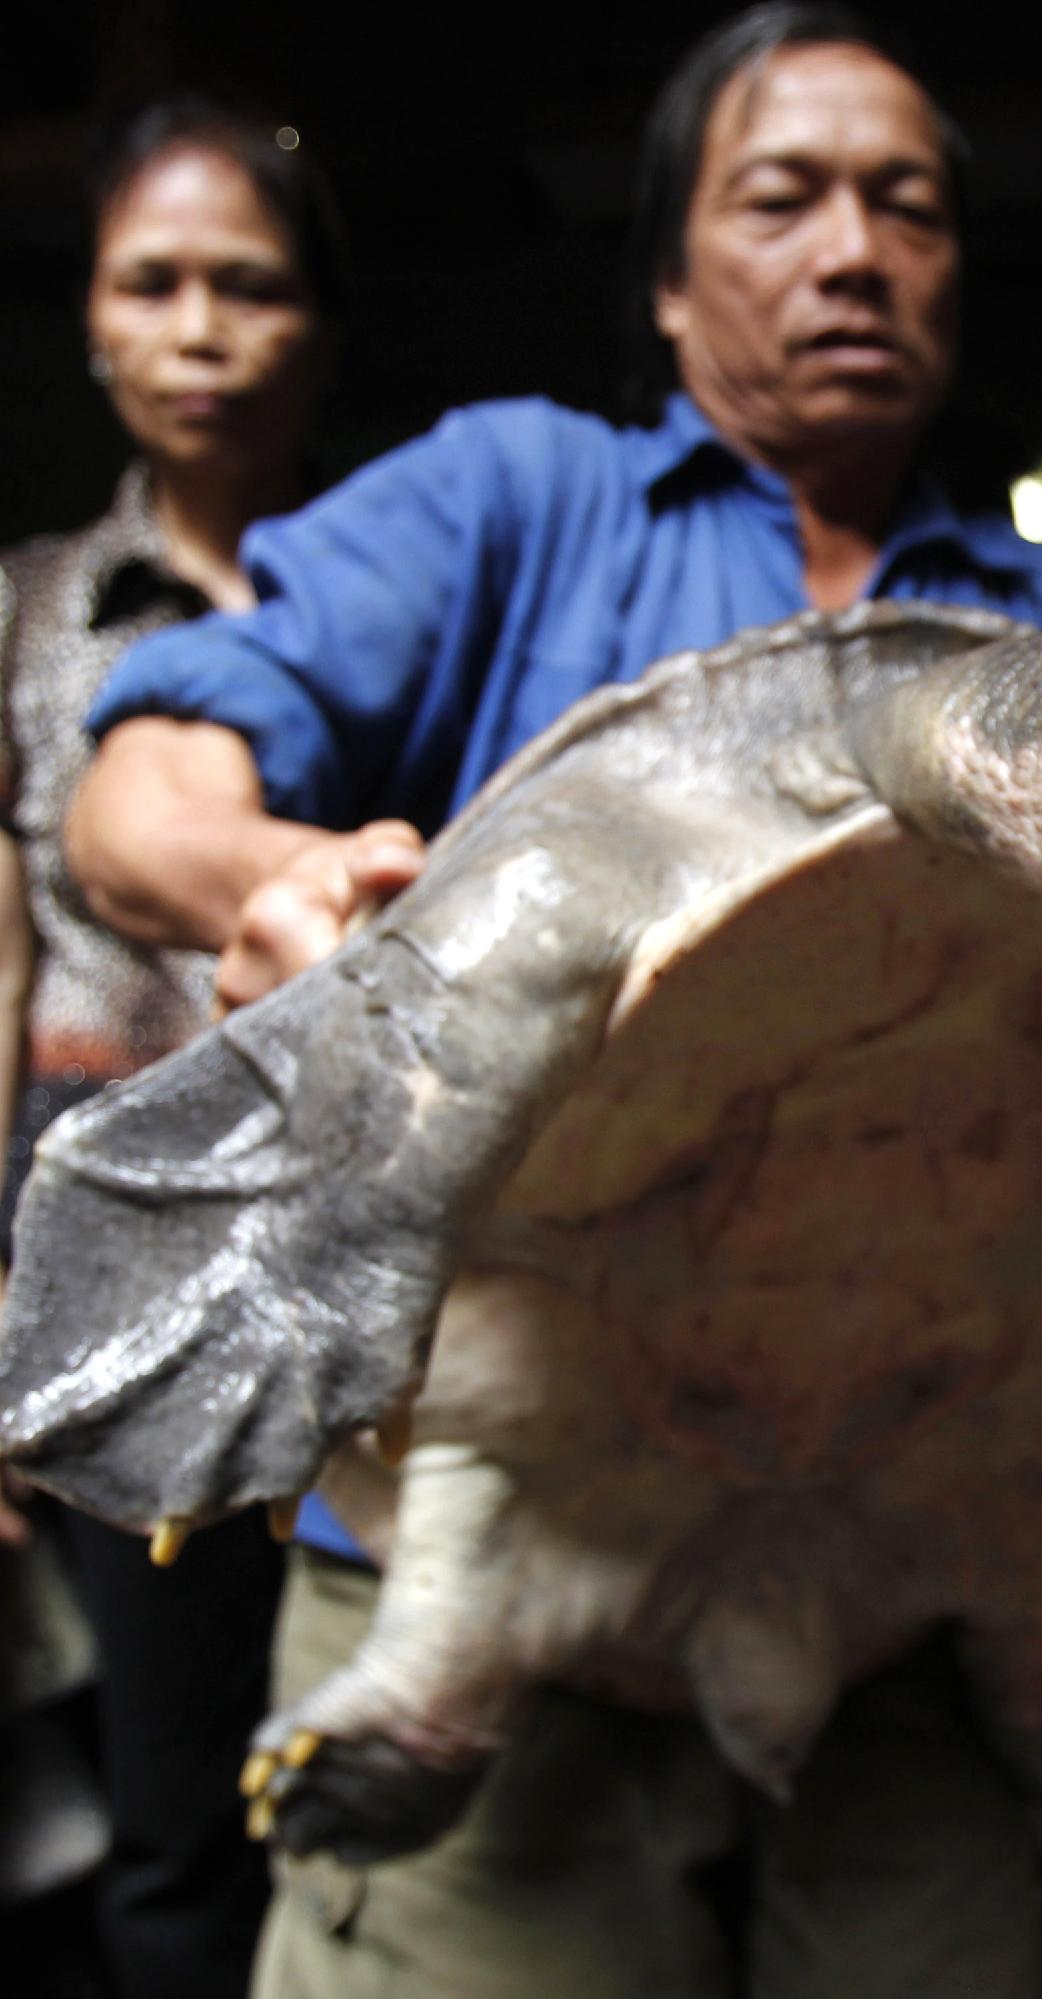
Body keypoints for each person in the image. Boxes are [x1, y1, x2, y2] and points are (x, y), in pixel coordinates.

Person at [61, 13, 1042, 1995]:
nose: (854, 250)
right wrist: (274, 879)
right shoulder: (516, 500)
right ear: (665, 280)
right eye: (783, 197)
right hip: (506, 1534)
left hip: (903, 1557)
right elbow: (138, 784)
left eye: (907, 206)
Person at [0, 96, 344, 1998]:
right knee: (176, 1780)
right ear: (92, 322)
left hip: (364, 1205)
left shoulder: (397, 591)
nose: (201, 329)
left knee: (410, 1721)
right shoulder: (32, 610)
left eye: (250, 287)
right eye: (154, 285)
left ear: (319, 325)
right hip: (104, 1220)